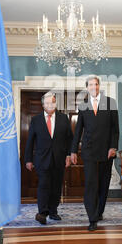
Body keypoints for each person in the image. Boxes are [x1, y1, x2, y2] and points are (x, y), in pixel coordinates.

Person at [71, 76, 119, 231]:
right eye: (91, 84)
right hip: (89, 151)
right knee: (91, 185)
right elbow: (78, 130)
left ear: (99, 86)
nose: (94, 87)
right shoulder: (83, 106)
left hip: (106, 151)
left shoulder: (110, 103)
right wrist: (73, 151)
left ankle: (99, 212)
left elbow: (115, 129)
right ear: (87, 87)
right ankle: (92, 218)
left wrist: (113, 147)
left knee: (103, 184)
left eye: (96, 84)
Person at [24, 92, 73, 225]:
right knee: (44, 184)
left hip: (59, 159)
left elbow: (70, 139)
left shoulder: (64, 118)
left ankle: (53, 211)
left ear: (55, 103)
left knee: (56, 186)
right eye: (47, 103)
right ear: (43, 105)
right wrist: (28, 159)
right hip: (42, 159)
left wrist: (69, 154)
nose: (50, 105)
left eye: (52, 102)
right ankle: (42, 213)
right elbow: (30, 141)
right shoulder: (36, 120)